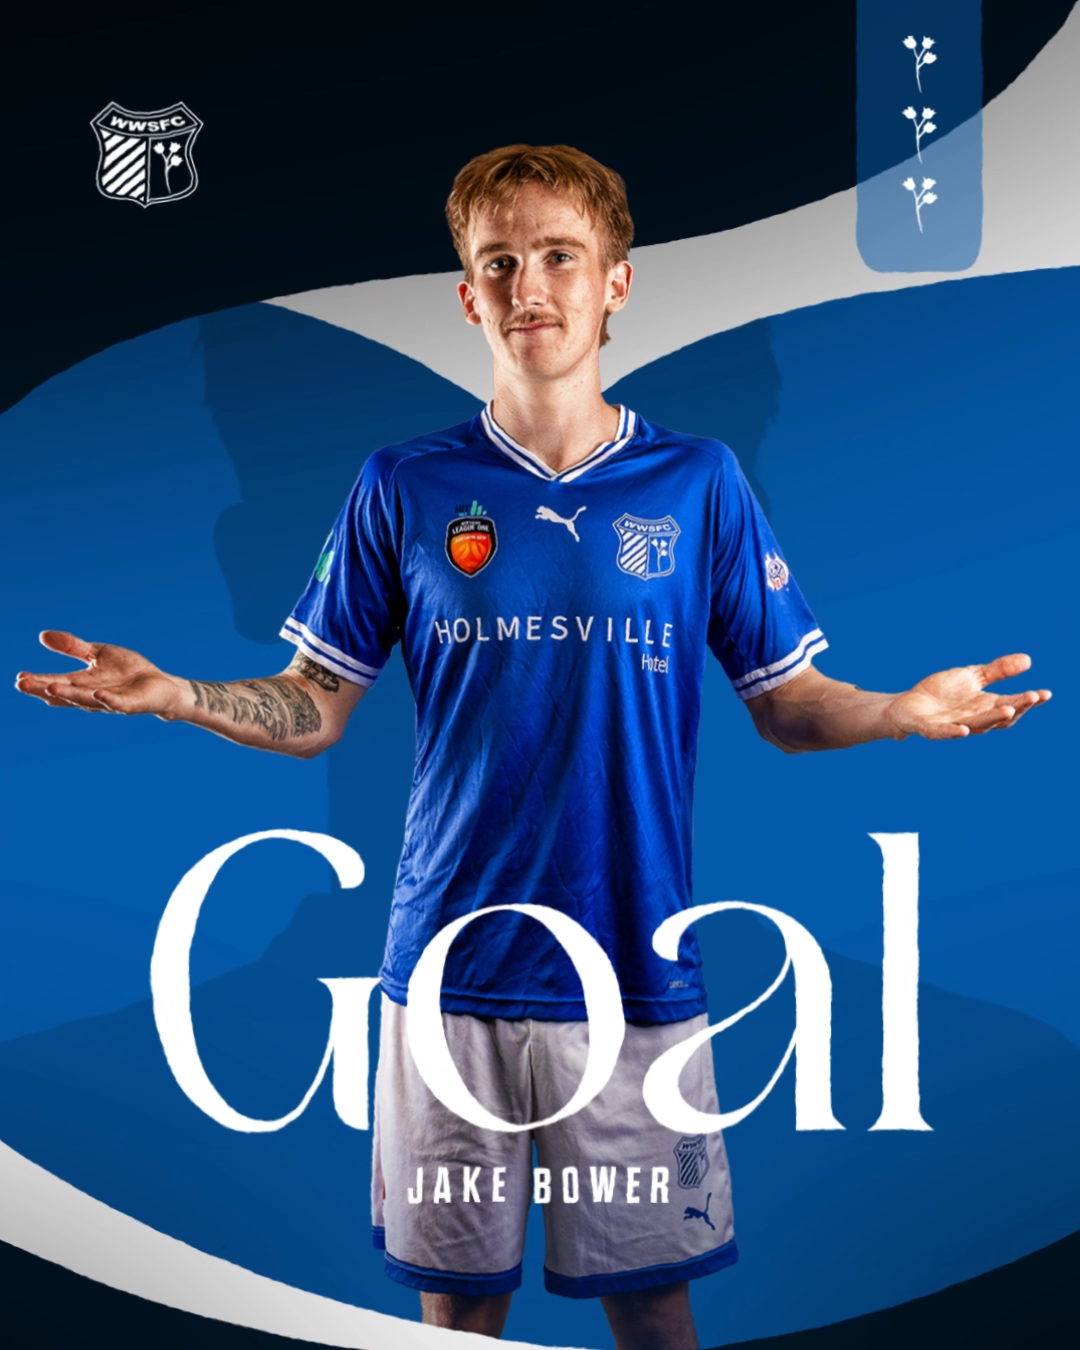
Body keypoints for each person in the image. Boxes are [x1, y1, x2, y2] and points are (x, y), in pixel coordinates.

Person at [14, 144, 1050, 1350]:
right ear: (468, 293)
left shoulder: (697, 484)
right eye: (499, 263)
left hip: (633, 973)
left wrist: (899, 711)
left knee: (656, 1310)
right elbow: (317, 707)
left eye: (559, 255)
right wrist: (179, 693)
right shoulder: (404, 486)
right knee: (456, 1318)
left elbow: (788, 702)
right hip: (446, 973)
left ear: (616, 281)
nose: (530, 285)